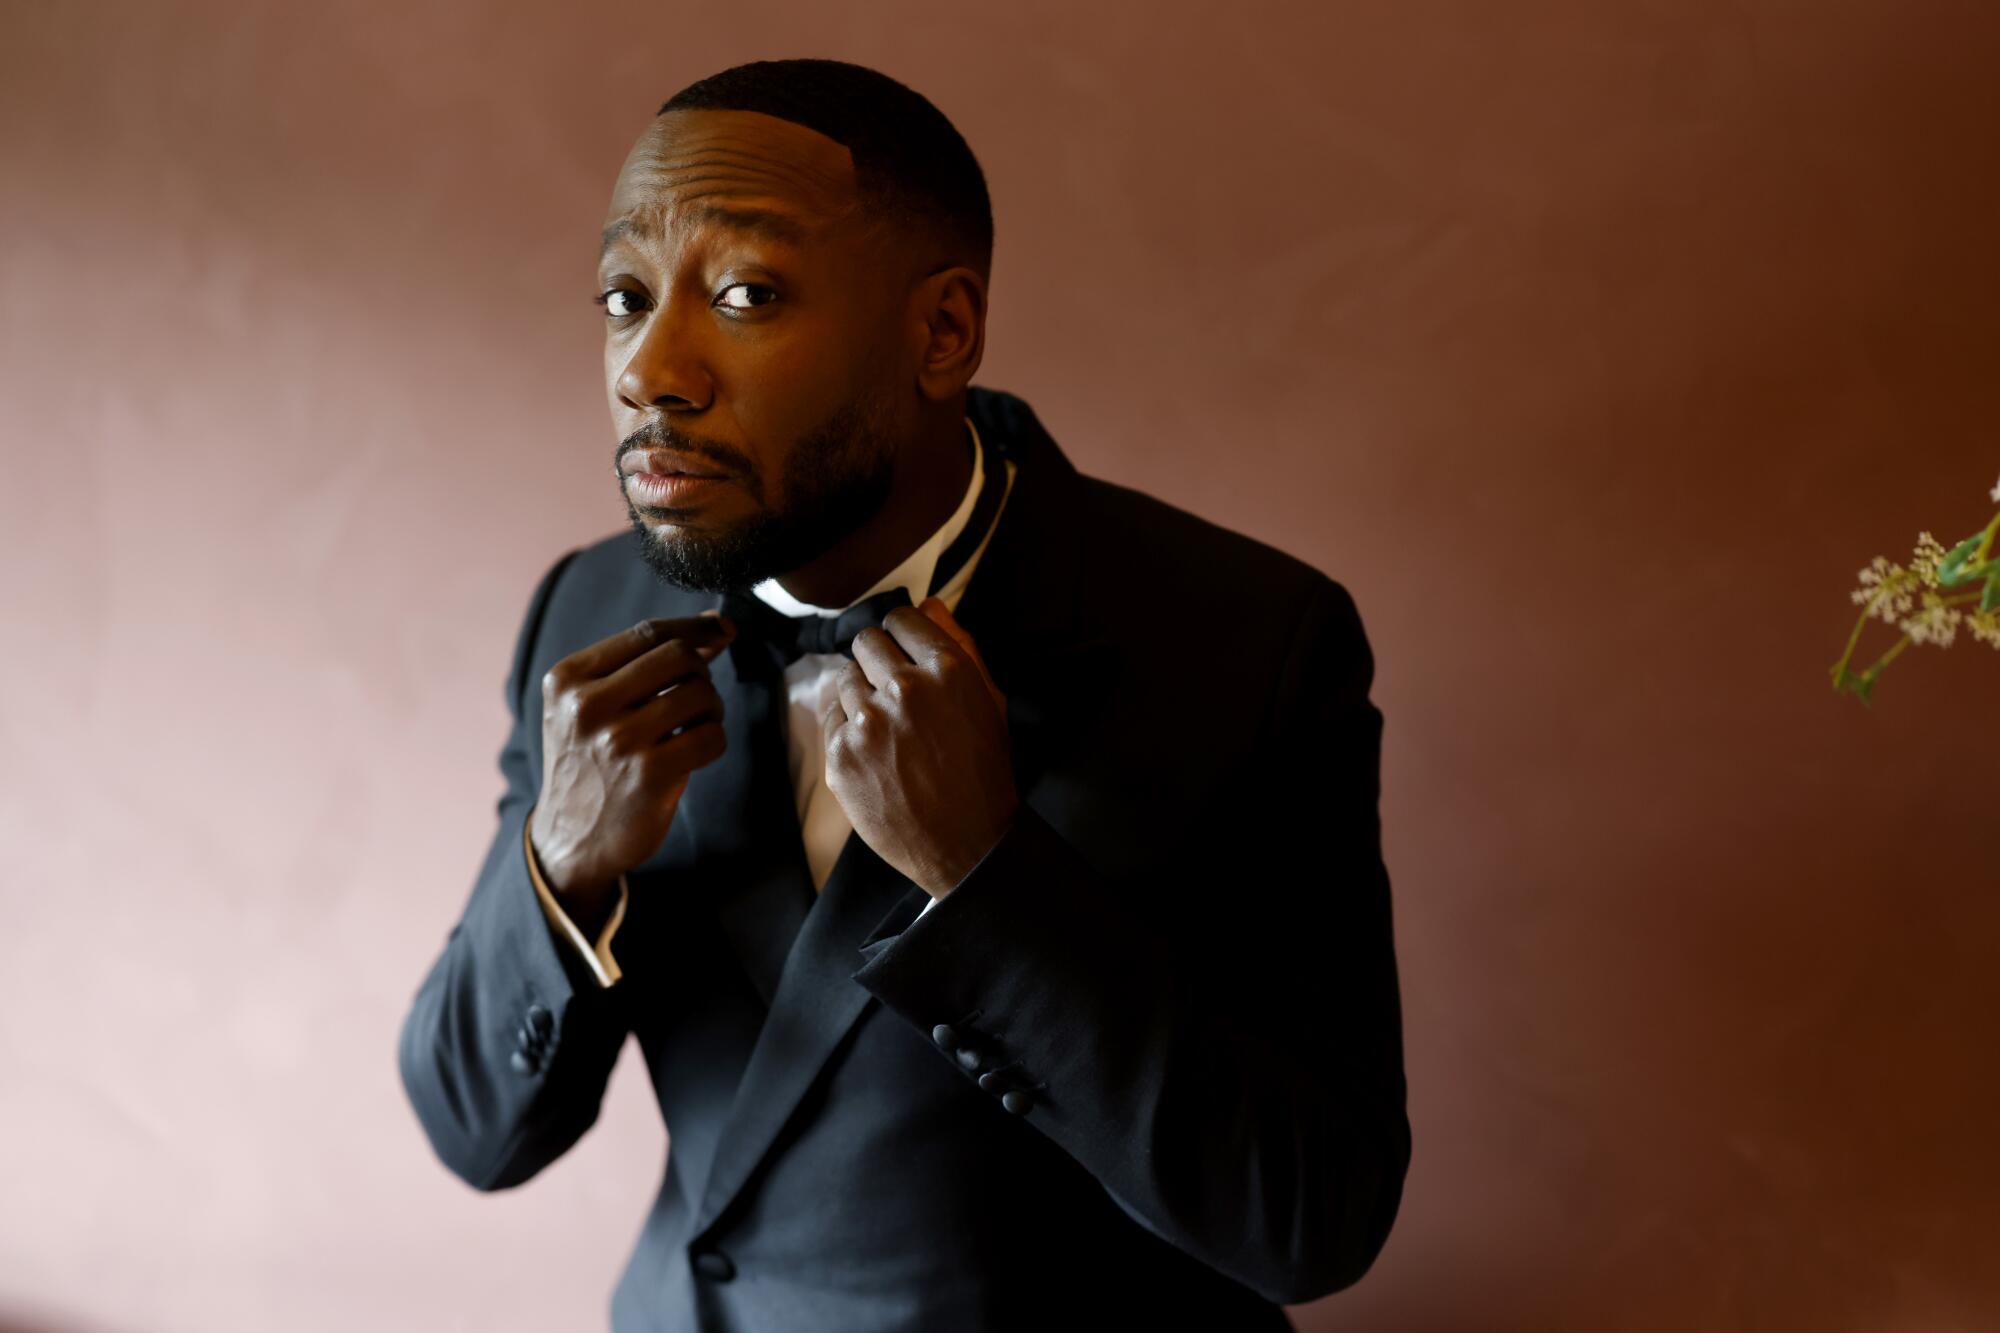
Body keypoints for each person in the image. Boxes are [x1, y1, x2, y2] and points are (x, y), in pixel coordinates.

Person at [396, 56, 1410, 1333]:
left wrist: (988, 879)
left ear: (941, 332)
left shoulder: (1250, 641)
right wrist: (559, 863)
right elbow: (470, 1129)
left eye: (745, 292)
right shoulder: (587, 610)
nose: (651, 368)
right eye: (622, 295)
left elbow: (1311, 1215)